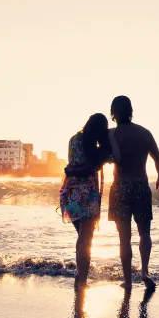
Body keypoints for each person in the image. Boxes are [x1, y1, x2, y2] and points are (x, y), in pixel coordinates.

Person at [107, 96, 159, 289]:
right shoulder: (144, 133)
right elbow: (158, 158)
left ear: (113, 112)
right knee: (144, 233)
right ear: (131, 111)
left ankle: (128, 280)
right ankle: (145, 272)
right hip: (140, 185)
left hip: (120, 187)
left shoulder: (111, 135)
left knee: (124, 238)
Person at [59, 113, 117, 288]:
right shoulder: (94, 147)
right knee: (86, 240)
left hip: (69, 194)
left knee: (82, 238)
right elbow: (92, 167)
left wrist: (71, 171)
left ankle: (80, 277)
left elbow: (74, 166)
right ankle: (81, 280)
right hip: (87, 194)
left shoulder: (74, 139)